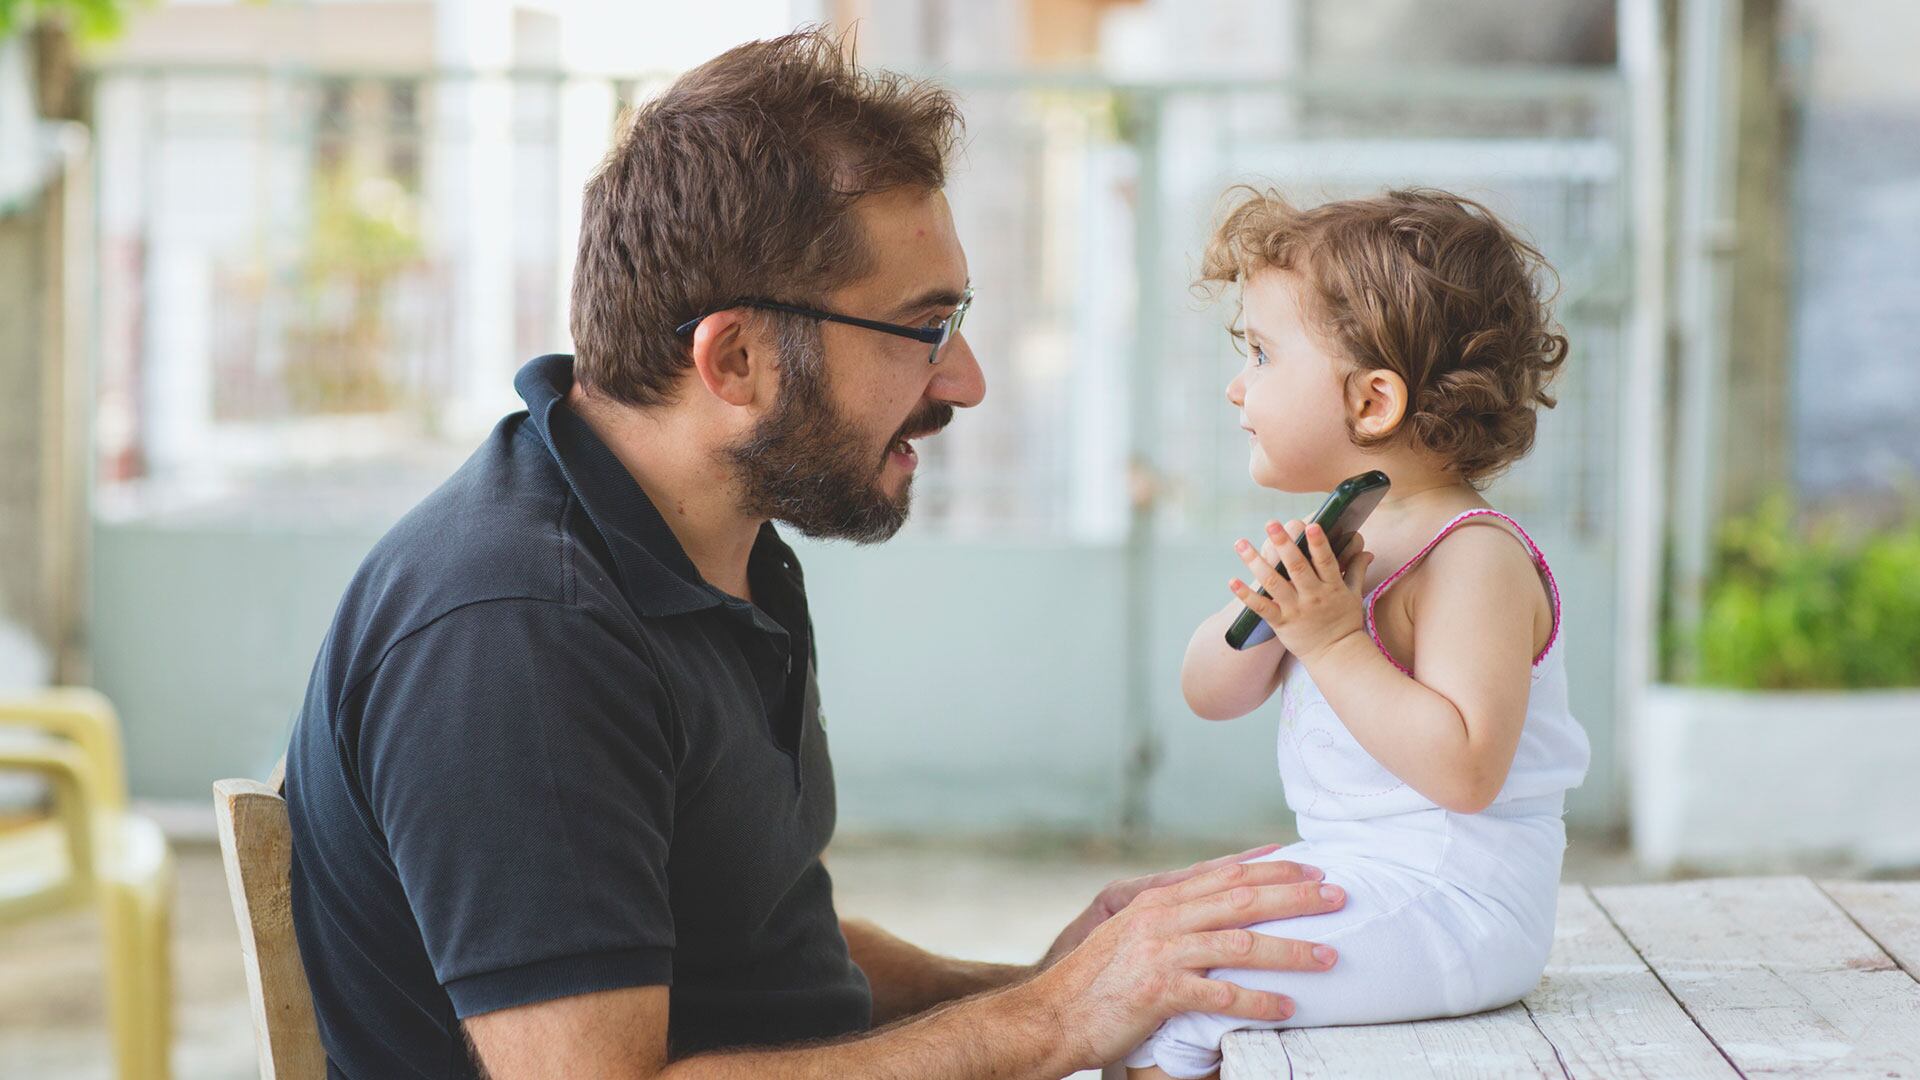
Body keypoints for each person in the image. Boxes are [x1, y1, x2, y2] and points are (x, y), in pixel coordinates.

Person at [284, 29, 1349, 1080]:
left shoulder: (716, 547)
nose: (965, 379)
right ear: (738, 358)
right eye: (922, 329)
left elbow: (755, 954)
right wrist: (1050, 1023)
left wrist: (1043, 978)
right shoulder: (519, 631)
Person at [1124, 188, 1592, 1079]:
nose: (1237, 385)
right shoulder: (1347, 541)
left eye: (1260, 354)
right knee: (1138, 940)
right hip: (1373, 878)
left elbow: (1465, 769)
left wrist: (1334, 642)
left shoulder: (1474, 557)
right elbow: (1208, 693)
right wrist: (1270, 614)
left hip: (1457, 906)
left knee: (1173, 995)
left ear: (1373, 400)